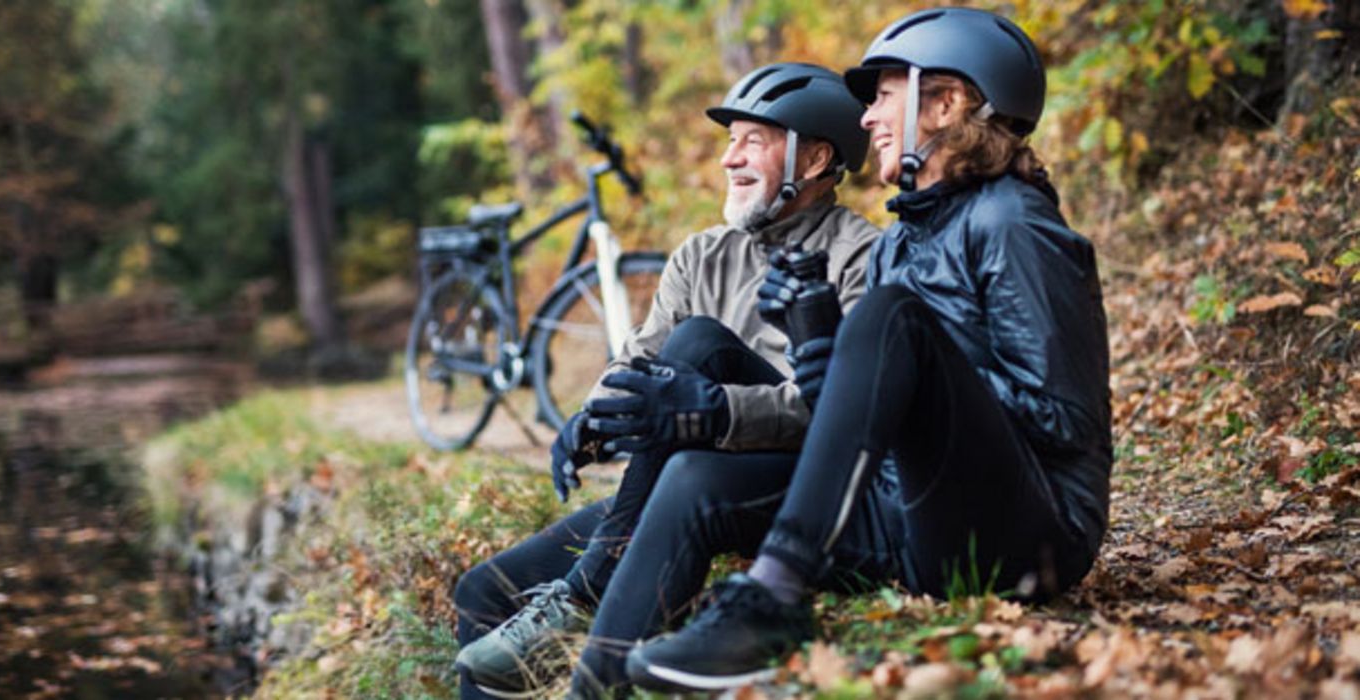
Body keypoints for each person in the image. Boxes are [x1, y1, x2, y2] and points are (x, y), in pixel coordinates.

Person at [616, 8, 1114, 692]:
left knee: (892, 317)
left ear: (945, 103)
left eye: (883, 95)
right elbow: (855, 435)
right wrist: (822, 347)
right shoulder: (899, 245)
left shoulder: (1012, 222)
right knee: (695, 483)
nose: (866, 116)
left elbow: (1065, 420)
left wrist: (914, 361)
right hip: (913, 518)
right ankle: (594, 680)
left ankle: (774, 597)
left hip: (1034, 536)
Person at [451, 62, 880, 698]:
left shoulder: (862, 256)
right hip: (675, 479)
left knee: (703, 343)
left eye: (753, 140)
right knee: (482, 593)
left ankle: (591, 585)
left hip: (784, 487)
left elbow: (843, 409)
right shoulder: (700, 254)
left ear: (815, 158)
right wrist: (597, 417)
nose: (729, 159)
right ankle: (587, 586)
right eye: (728, 141)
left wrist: (718, 410)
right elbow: (639, 359)